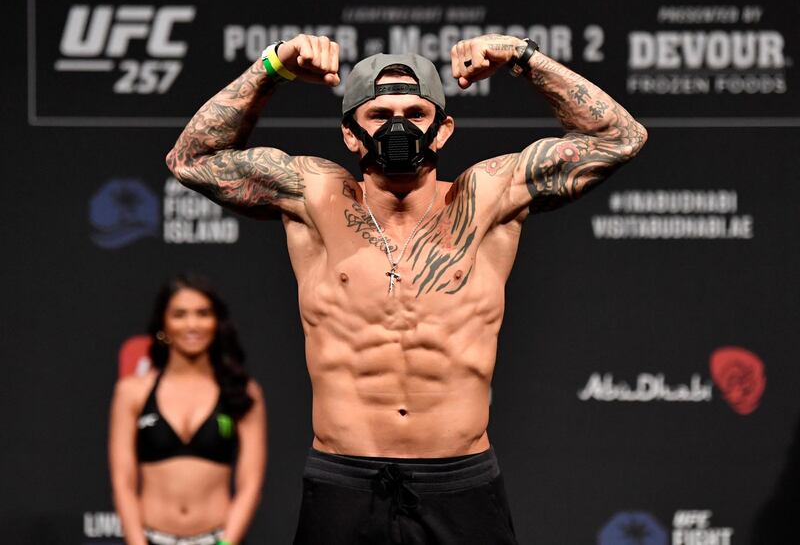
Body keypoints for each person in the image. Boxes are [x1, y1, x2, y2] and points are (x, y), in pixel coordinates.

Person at [166, 32, 647, 545]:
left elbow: (621, 137)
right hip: (343, 482)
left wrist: (523, 58)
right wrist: (273, 65)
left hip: (459, 485)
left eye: (416, 114)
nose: (399, 127)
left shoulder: (487, 196)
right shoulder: (314, 195)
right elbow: (191, 159)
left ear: (443, 130)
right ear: (351, 133)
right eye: (379, 115)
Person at [109, 275, 267, 545]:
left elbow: (250, 482)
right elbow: (123, 481)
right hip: (149, 539)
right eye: (180, 314)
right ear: (164, 325)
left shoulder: (242, 391)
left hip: (218, 540)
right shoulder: (131, 392)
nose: (192, 324)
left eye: (203, 313)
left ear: (217, 323)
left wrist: (226, 544)